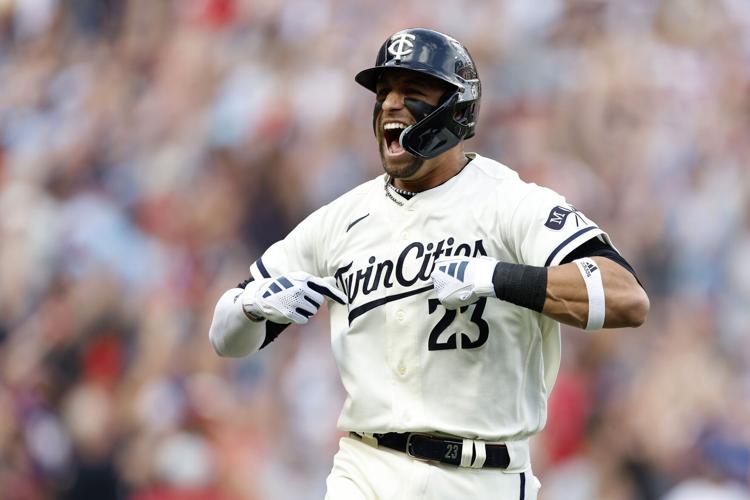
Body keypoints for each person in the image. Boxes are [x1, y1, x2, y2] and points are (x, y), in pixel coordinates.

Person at [208, 28, 649, 500]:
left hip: (484, 477)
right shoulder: (339, 221)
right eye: (383, 94)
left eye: (412, 93)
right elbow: (226, 340)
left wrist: (496, 277)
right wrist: (252, 307)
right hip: (367, 469)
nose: (391, 106)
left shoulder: (512, 204)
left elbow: (626, 297)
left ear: (456, 110)